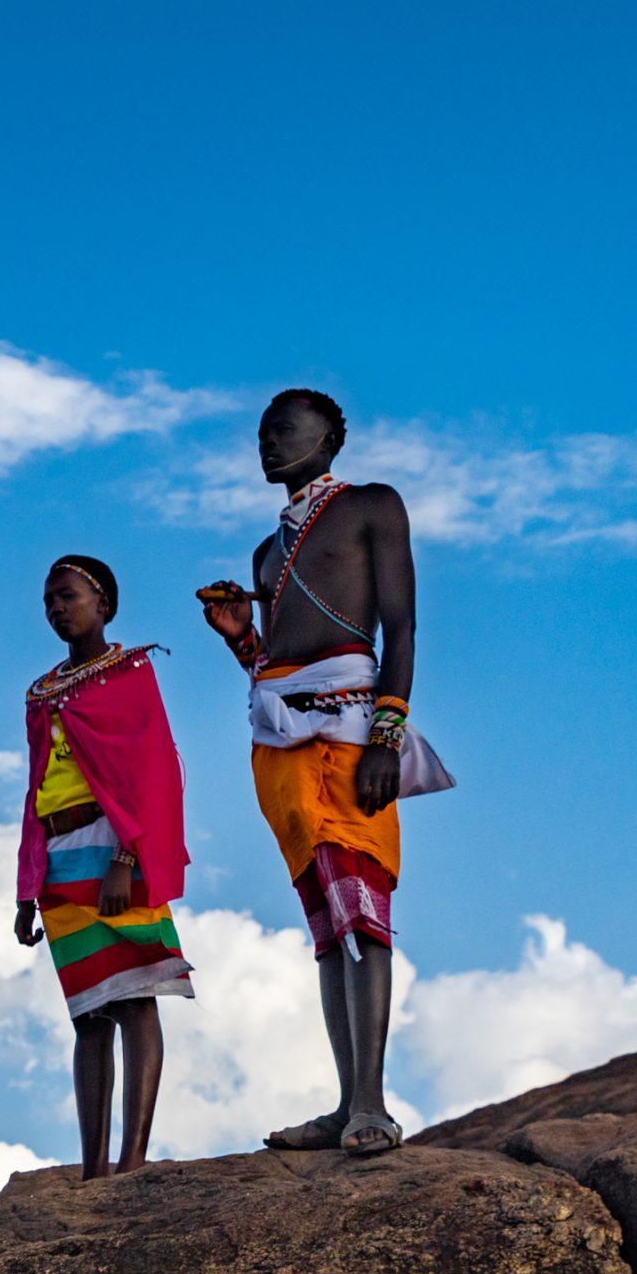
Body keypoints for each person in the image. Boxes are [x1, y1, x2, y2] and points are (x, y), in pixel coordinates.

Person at [196, 390, 451, 1157]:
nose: (268, 442)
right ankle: (346, 1104)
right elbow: (271, 659)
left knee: (363, 907)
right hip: (278, 746)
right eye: (262, 432)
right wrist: (240, 637)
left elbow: (400, 624)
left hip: (351, 730)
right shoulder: (266, 553)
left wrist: (386, 733)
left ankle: (372, 1102)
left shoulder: (373, 504)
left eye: (284, 428)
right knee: (324, 921)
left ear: (332, 435)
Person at [14, 557, 194, 1178]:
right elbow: (36, 785)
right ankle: (93, 1172)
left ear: (106, 604)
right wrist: (25, 885)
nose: (57, 609)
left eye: (67, 596)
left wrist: (125, 857)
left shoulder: (130, 673)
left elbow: (154, 766)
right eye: (48, 601)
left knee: (137, 997)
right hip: (59, 855)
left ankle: (133, 1158)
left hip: (117, 845)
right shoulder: (40, 691)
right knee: (88, 1011)